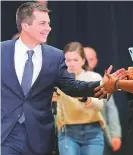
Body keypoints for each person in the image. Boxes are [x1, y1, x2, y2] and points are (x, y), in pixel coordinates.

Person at [1, 2, 110, 155]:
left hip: (39, 136)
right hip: (6, 134)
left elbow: (72, 86)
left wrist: (102, 85)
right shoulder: (2, 51)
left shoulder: (55, 56)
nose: (49, 28)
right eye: (42, 23)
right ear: (25, 25)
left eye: (49, 23)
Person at [56, 42, 105, 155]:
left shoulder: (94, 77)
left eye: (75, 60)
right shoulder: (59, 80)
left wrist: (85, 98)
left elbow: (100, 105)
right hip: (68, 132)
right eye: (68, 60)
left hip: (93, 131)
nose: (71, 64)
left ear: (83, 60)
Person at [84, 47, 122, 154]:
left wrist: (115, 134)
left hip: (98, 131)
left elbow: (111, 108)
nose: (87, 63)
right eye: (85, 59)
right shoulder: (69, 79)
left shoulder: (99, 79)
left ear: (96, 61)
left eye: (90, 59)